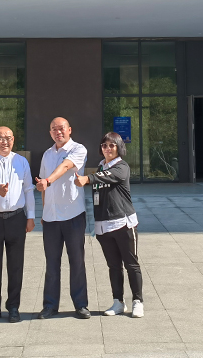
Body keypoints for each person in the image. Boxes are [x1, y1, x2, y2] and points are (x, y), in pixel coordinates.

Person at [74, 131, 144, 318]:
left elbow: (108, 176)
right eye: (104, 145)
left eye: (112, 145)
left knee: (131, 264)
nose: (108, 149)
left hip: (123, 223)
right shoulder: (101, 167)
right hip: (104, 226)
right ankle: (118, 302)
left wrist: (87, 179)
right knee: (113, 266)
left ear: (119, 147)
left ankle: (137, 301)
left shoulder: (121, 166)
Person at [0, 126, 36, 323]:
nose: (5, 141)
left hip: (16, 219)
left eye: (8, 138)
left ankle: (13, 307)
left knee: (16, 266)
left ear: (13, 140)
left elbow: (28, 189)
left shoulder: (21, 161)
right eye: (0, 138)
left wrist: (31, 217)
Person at [35, 117, 90, 319]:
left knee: (77, 262)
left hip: (73, 214)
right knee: (51, 264)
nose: (58, 132)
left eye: (61, 129)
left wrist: (48, 180)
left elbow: (66, 167)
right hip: (51, 218)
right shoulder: (47, 154)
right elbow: (42, 185)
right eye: (54, 129)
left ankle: (81, 304)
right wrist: (44, 211)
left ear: (69, 130)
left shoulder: (78, 149)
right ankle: (50, 306)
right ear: (50, 133)